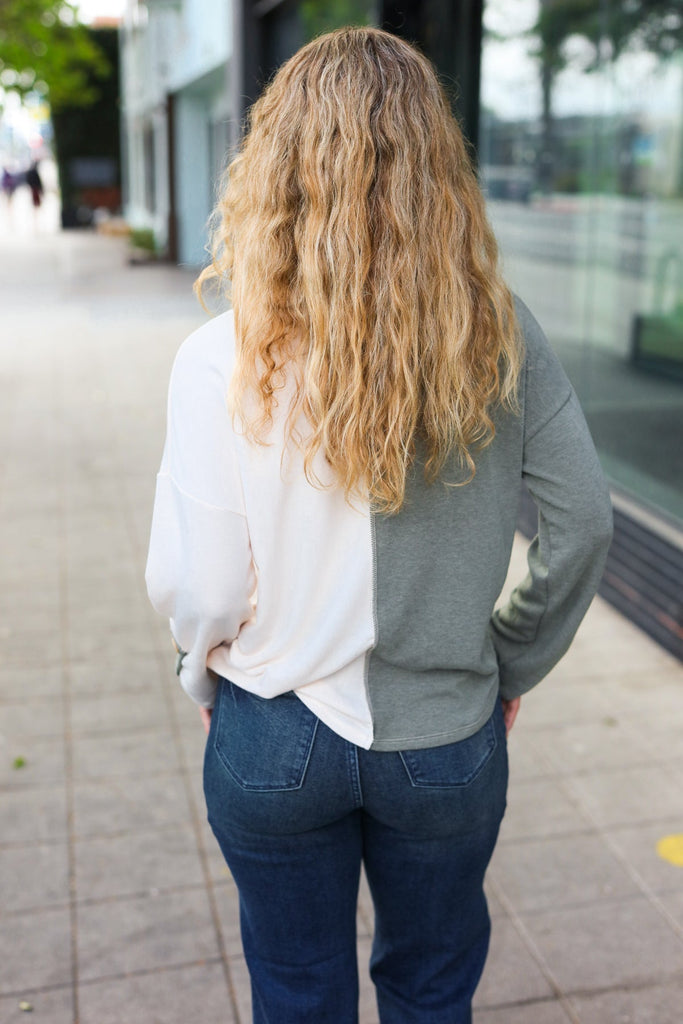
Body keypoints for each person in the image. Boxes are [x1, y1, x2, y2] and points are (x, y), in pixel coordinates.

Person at [146, 26, 613, 1024]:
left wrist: (202, 672)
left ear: (274, 167)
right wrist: (506, 661)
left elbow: (203, 589)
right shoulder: (500, 334)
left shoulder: (216, 355)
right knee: (429, 988)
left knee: (296, 989)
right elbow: (581, 526)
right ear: (434, 166)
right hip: (446, 731)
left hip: (270, 730)